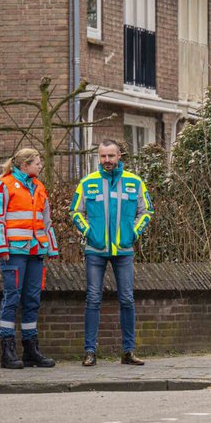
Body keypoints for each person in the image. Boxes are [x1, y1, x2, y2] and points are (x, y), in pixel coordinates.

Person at [70, 138, 152, 366]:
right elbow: (75, 212)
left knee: (127, 299)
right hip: (95, 250)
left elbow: (146, 211)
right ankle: (90, 351)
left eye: (111, 156)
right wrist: (89, 232)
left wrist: (133, 233)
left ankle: (128, 352)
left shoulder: (135, 182)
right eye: (103, 156)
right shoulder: (87, 182)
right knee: (93, 299)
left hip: (124, 250)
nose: (107, 160)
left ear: (119, 156)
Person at [0, 146, 58, 369]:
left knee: (32, 300)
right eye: (37, 163)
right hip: (14, 252)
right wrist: (1, 246)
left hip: (36, 251)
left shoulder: (39, 187)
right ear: (24, 165)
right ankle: (7, 350)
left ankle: (31, 350)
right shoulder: (4, 185)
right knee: (12, 298)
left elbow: (46, 220)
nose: (40, 166)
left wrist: (52, 248)